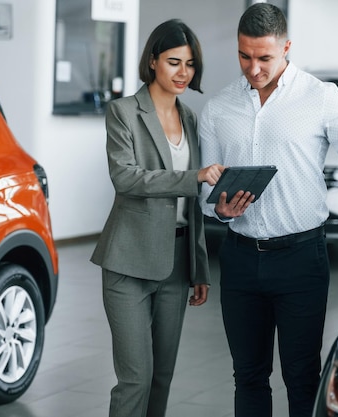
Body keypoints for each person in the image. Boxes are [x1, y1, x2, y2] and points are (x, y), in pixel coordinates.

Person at [198, 4, 338, 417]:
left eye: (265, 57)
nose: (253, 68)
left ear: (286, 47)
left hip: (301, 259)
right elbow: (206, 194)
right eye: (244, 56)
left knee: (302, 376)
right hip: (239, 260)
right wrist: (221, 209)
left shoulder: (320, 97)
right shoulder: (217, 109)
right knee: (248, 376)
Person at [90, 19, 224, 417]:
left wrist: (199, 268)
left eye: (190, 64)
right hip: (128, 262)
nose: (184, 72)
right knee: (136, 379)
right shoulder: (124, 112)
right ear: (152, 62)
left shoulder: (193, 120)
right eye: (173, 62)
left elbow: (195, 203)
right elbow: (126, 177)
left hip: (177, 263)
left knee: (162, 376)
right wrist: (192, 176)